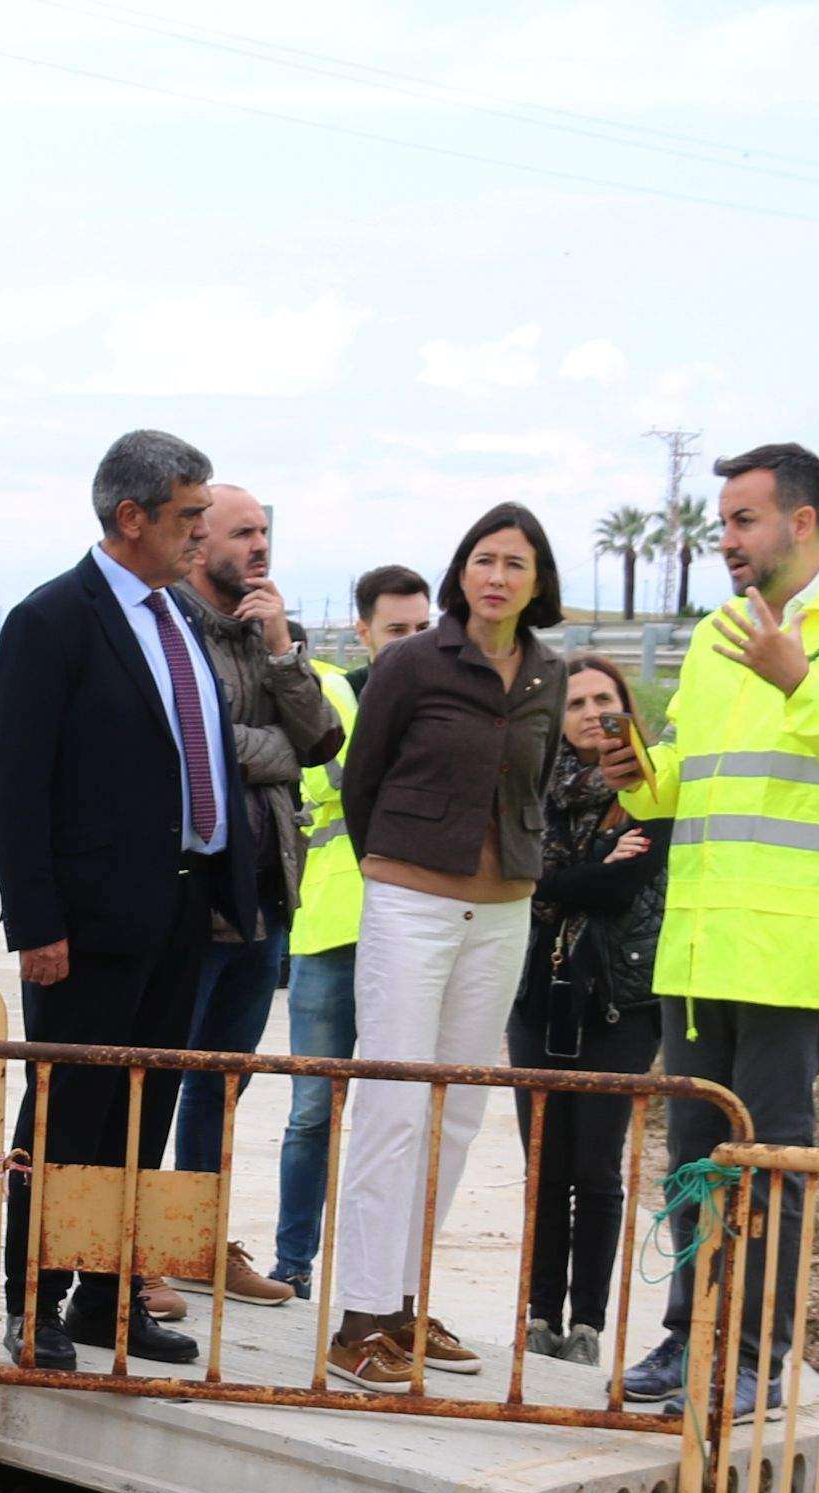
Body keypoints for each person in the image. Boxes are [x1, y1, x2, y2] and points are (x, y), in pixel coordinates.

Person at [601, 443, 819, 1413]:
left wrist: (799, 679)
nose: (730, 542)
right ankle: (686, 1340)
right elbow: (691, 775)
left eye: (744, 522)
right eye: (723, 526)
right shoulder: (719, 634)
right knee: (696, 1158)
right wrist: (637, 772)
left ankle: (755, 1357)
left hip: (796, 948)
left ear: (802, 522)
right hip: (702, 944)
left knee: (773, 1162)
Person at [0, 428, 254, 1372]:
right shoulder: (53, 620)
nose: (199, 533)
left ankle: (110, 1298)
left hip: (184, 910)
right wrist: (37, 924)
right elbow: (14, 785)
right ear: (129, 516)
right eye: (186, 516)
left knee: (147, 1110)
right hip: (88, 925)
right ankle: (34, 1301)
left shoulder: (179, 618)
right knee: (68, 1118)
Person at [325, 502, 566, 1391]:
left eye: (516, 563)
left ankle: (401, 1305)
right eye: (483, 559)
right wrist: (398, 867)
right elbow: (365, 781)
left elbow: (534, 786)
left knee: (456, 1113)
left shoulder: (548, 672)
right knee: (393, 1105)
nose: (497, 576)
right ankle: (357, 1319)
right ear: (461, 570)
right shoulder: (413, 664)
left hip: (502, 913)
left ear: (539, 582)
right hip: (410, 906)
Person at [158, 485, 345, 1310]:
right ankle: (137, 1250)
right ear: (200, 546)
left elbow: (319, 743)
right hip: (190, 892)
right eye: (244, 533)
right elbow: (172, 737)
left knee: (222, 1082)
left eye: (267, 531)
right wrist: (269, 748)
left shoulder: (272, 636)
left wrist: (278, 647)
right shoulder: (168, 632)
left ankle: (196, 1241)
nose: (260, 546)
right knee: (157, 1074)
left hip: (266, 895)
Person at [269, 565, 431, 1299]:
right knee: (313, 1111)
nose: (411, 644)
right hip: (332, 928)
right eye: (397, 631)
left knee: (399, 1116)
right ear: (363, 632)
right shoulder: (332, 697)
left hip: (414, 932)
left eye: (423, 629)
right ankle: (294, 1265)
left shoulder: (450, 706)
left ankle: (384, 1282)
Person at [508, 654, 665, 1366]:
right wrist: (591, 867)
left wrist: (578, 876)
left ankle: (589, 1326)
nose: (593, 713)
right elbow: (521, 875)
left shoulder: (655, 788)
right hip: (538, 996)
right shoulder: (530, 788)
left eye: (606, 699)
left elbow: (623, 888)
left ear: (627, 708)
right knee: (545, 1164)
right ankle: (539, 1315)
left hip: (620, 1004)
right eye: (576, 703)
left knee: (597, 1170)